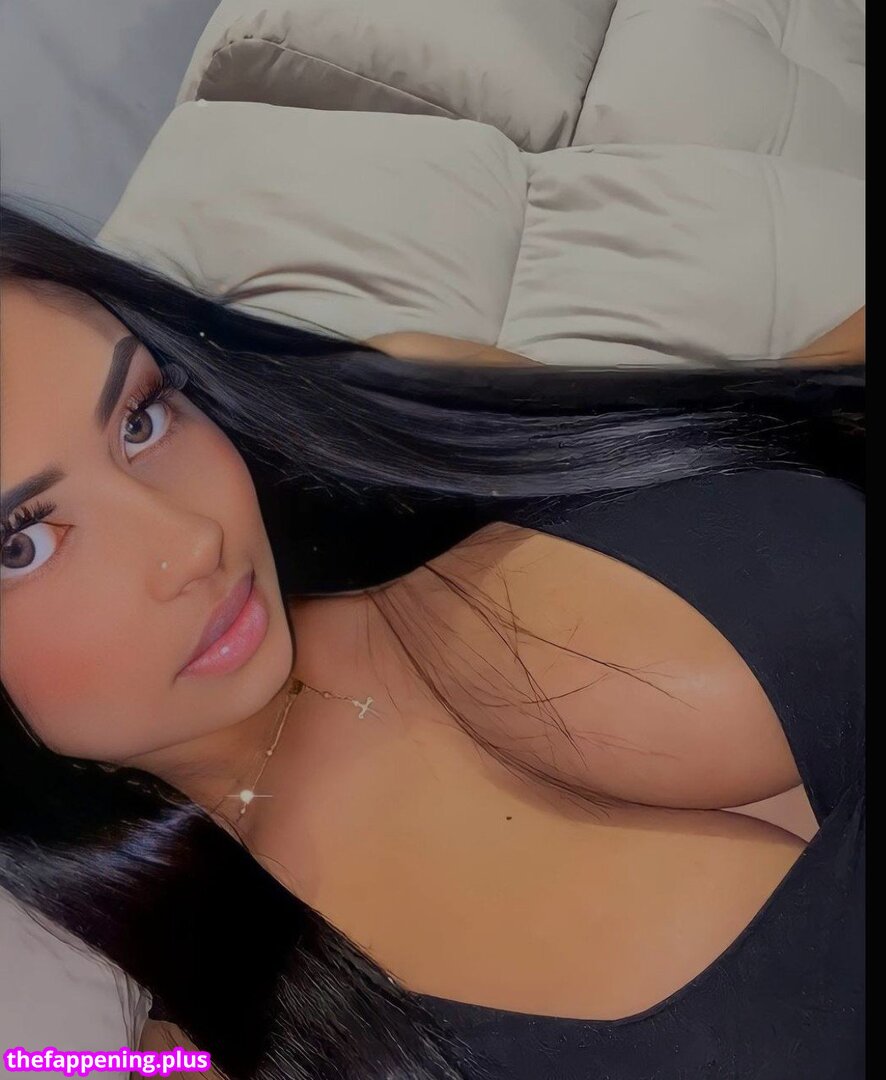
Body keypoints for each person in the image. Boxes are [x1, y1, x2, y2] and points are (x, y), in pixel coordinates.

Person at [0, 203, 863, 1080]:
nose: (193, 542)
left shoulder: (387, 426)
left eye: (140, 418)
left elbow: (791, 402)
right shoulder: (224, 1041)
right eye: (21, 545)